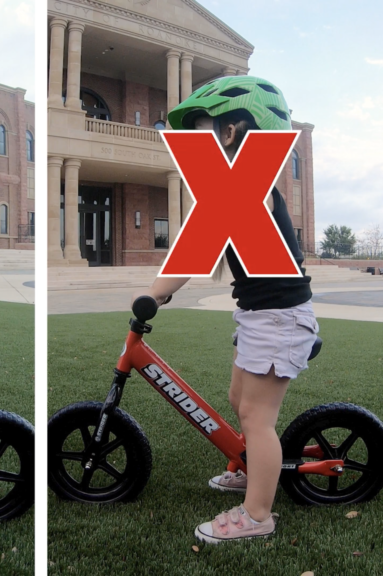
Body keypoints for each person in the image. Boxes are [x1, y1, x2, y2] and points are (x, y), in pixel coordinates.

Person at [135, 76, 319, 543]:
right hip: (262, 315)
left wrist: (154, 294)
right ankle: (250, 468)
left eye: (199, 130)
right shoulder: (243, 187)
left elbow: (197, 248)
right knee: (241, 403)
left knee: (258, 419)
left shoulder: (245, 188)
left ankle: (257, 514)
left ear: (230, 132)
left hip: (279, 317)